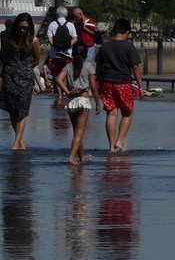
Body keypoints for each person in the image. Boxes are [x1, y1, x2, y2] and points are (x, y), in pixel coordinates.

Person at [95, 17, 144, 153]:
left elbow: (98, 67)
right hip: (123, 83)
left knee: (111, 113)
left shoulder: (105, 46)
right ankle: (120, 140)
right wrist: (140, 86)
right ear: (127, 31)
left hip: (107, 83)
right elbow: (135, 67)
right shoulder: (129, 46)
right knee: (127, 113)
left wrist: (100, 82)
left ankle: (111, 147)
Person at [0, 12, 41, 151]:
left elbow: (36, 60)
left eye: (25, 28)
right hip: (10, 74)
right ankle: (20, 138)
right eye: (20, 27)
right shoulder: (10, 40)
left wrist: (26, 68)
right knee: (12, 109)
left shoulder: (34, 41)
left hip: (25, 77)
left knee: (22, 110)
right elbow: (4, 55)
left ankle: (16, 142)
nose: (22, 31)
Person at [56, 43, 101, 164]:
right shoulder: (89, 67)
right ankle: (71, 157)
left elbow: (58, 79)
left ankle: (81, 157)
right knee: (79, 133)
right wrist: (98, 103)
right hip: (83, 101)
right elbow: (93, 87)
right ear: (86, 55)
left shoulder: (68, 67)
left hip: (72, 102)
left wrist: (67, 92)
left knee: (77, 132)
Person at [45, 7, 77, 106]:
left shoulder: (52, 24)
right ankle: (65, 92)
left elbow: (49, 38)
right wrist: (68, 45)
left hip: (55, 55)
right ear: (66, 15)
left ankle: (59, 95)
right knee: (65, 74)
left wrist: (56, 46)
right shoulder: (70, 25)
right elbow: (75, 38)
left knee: (56, 75)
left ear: (57, 14)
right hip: (67, 54)